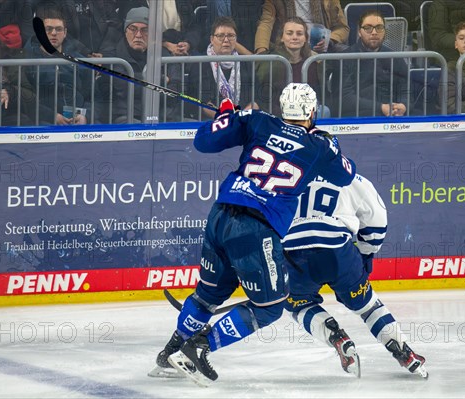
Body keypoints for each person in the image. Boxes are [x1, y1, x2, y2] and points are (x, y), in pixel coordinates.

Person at [154, 83, 356, 386]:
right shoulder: (319, 147)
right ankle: (198, 347)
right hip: (256, 228)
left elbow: (203, 141)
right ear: (312, 112)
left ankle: (169, 354)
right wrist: (331, 143)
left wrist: (227, 116)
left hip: (221, 215)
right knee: (270, 306)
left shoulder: (257, 120)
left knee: (208, 294)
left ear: (281, 106)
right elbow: (346, 173)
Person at [282, 173, 428, 379]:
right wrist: (365, 254)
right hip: (338, 252)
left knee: (297, 304)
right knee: (368, 307)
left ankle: (336, 337)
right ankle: (404, 352)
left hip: (293, 254)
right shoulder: (351, 178)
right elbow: (376, 223)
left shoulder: (285, 175)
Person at [101, 6, 182, 123]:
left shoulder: (165, 55)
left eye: (145, 30)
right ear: (125, 31)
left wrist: (138, 83)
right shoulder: (113, 56)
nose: (138, 35)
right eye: (133, 29)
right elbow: (123, 87)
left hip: (164, 118)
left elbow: (175, 92)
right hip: (125, 117)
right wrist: (161, 80)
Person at [23, 9, 91, 125]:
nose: (54, 33)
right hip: (43, 122)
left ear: (65, 33)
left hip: (79, 122)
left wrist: (86, 116)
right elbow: (26, 98)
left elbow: (95, 97)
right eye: (48, 29)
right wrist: (51, 116)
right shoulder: (27, 61)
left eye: (58, 29)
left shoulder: (81, 61)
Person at [184, 17, 259, 120]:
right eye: (220, 36)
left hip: (243, 121)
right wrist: (225, 119)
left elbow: (256, 97)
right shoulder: (200, 64)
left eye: (231, 36)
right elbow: (202, 101)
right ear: (211, 39)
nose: (226, 40)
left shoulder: (245, 63)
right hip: (211, 122)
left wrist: (241, 117)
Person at [339, 10, 408, 117]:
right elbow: (345, 98)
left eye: (379, 27)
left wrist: (403, 105)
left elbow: (406, 90)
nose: (374, 32)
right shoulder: (345, 58)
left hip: (394, 114)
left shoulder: (395, 57)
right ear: (359, 32)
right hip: (358, 116)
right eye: (368, 28)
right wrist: (381, 107)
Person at [255, 16, 326, 117]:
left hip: (306, 112)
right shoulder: (271, 62)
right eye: (289, 33)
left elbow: (317, 96)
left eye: (299, 33)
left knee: (325, 110)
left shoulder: (312, 63)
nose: (294, 37)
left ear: (305, 38)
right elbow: (266, 100)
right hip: (277, 113)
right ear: (281, 38)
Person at [254, 0, 349, 54]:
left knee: (347, 54)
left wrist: (329, 40)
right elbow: (266, 23)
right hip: (289, 46)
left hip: (323, 47)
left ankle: (339, 89)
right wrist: (261, 50)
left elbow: (343, 28)